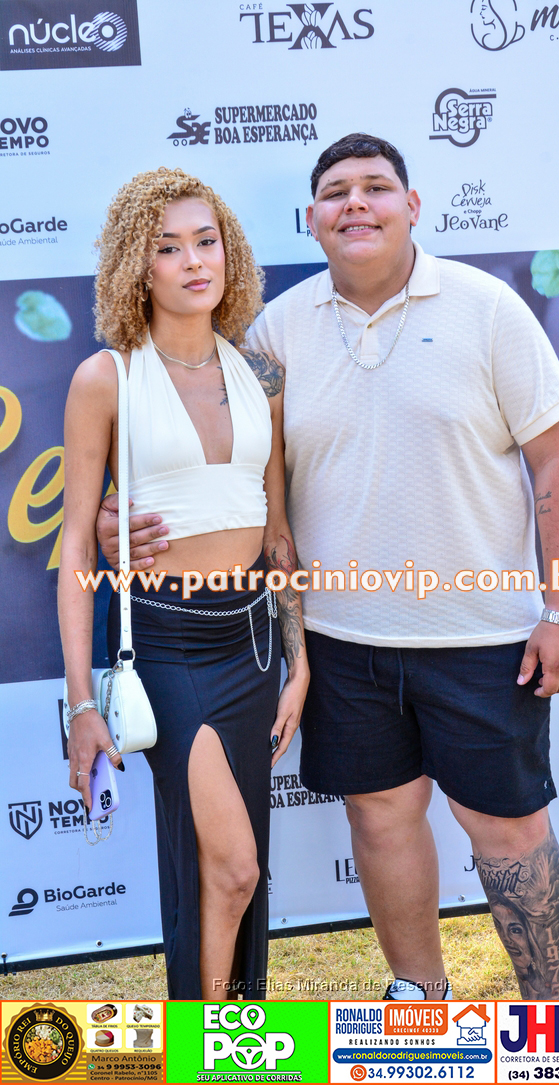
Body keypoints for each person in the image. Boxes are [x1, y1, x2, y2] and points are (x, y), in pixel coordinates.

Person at [98, 134, 559, 1000]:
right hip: (340, 642)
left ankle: (552, 1023)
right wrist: (119, 521)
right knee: (381, 818)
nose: (355, 202)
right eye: (335, 192)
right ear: (312, 219)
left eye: (375, 186)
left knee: (507, 831)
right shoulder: (275, 332)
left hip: (481, 634)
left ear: (412, 206)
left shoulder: (487, 308)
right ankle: (419, 999)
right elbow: (223, 470)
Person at [58, 167, 309, 1000]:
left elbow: (277, 533)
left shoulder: (262, 376)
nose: (193, 261)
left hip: (253, 645)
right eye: (168, 248)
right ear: (137, 266)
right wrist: (82, 705)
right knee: (232, 866)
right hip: (168, 646)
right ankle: (206, 1039)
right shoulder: (107, 377)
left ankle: (227, 1031)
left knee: (236, 869)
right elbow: (76, 546)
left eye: (207, 241)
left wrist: (299, 660)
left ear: (230, 253)